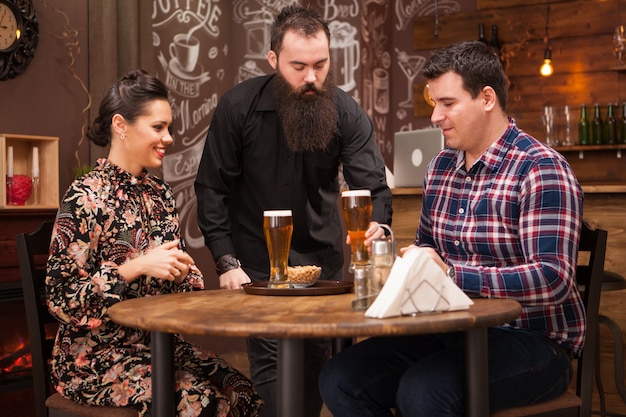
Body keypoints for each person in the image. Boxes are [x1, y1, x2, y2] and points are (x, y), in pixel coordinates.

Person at [319, 40, 585, 416]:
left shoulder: (540, 169)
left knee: (423, 391)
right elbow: (429, 250)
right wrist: (409, 265)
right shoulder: (441, 167)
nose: (435, 117)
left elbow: (552, 279)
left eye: (448, 103)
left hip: (532, 340)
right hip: (452, 331)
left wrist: (452, 274)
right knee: (339, 377)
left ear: (487, 98)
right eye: (434, 104)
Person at [194, 5, 392, 417]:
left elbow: (371, 186)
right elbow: (212, 188)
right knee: (274, 382)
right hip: (256, 269)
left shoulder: (345, 111)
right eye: (298, 65)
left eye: (320, 65)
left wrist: (378, 223)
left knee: (316, 375)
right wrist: (226, 261)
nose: (311, 78)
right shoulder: (238, 107)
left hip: (323, 270)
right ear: (273, 61)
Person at [46, 69, 263, 417]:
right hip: (92, 358)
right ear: (121, 125)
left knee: (244, 394)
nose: (169, 138)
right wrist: (134, 267)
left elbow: (187, 287)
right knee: (205, 404)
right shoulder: (86, 196)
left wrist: (180, 276)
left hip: (157, 345)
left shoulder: (159, 194)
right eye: (158, 127)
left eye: (170, 128)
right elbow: (60, 299)